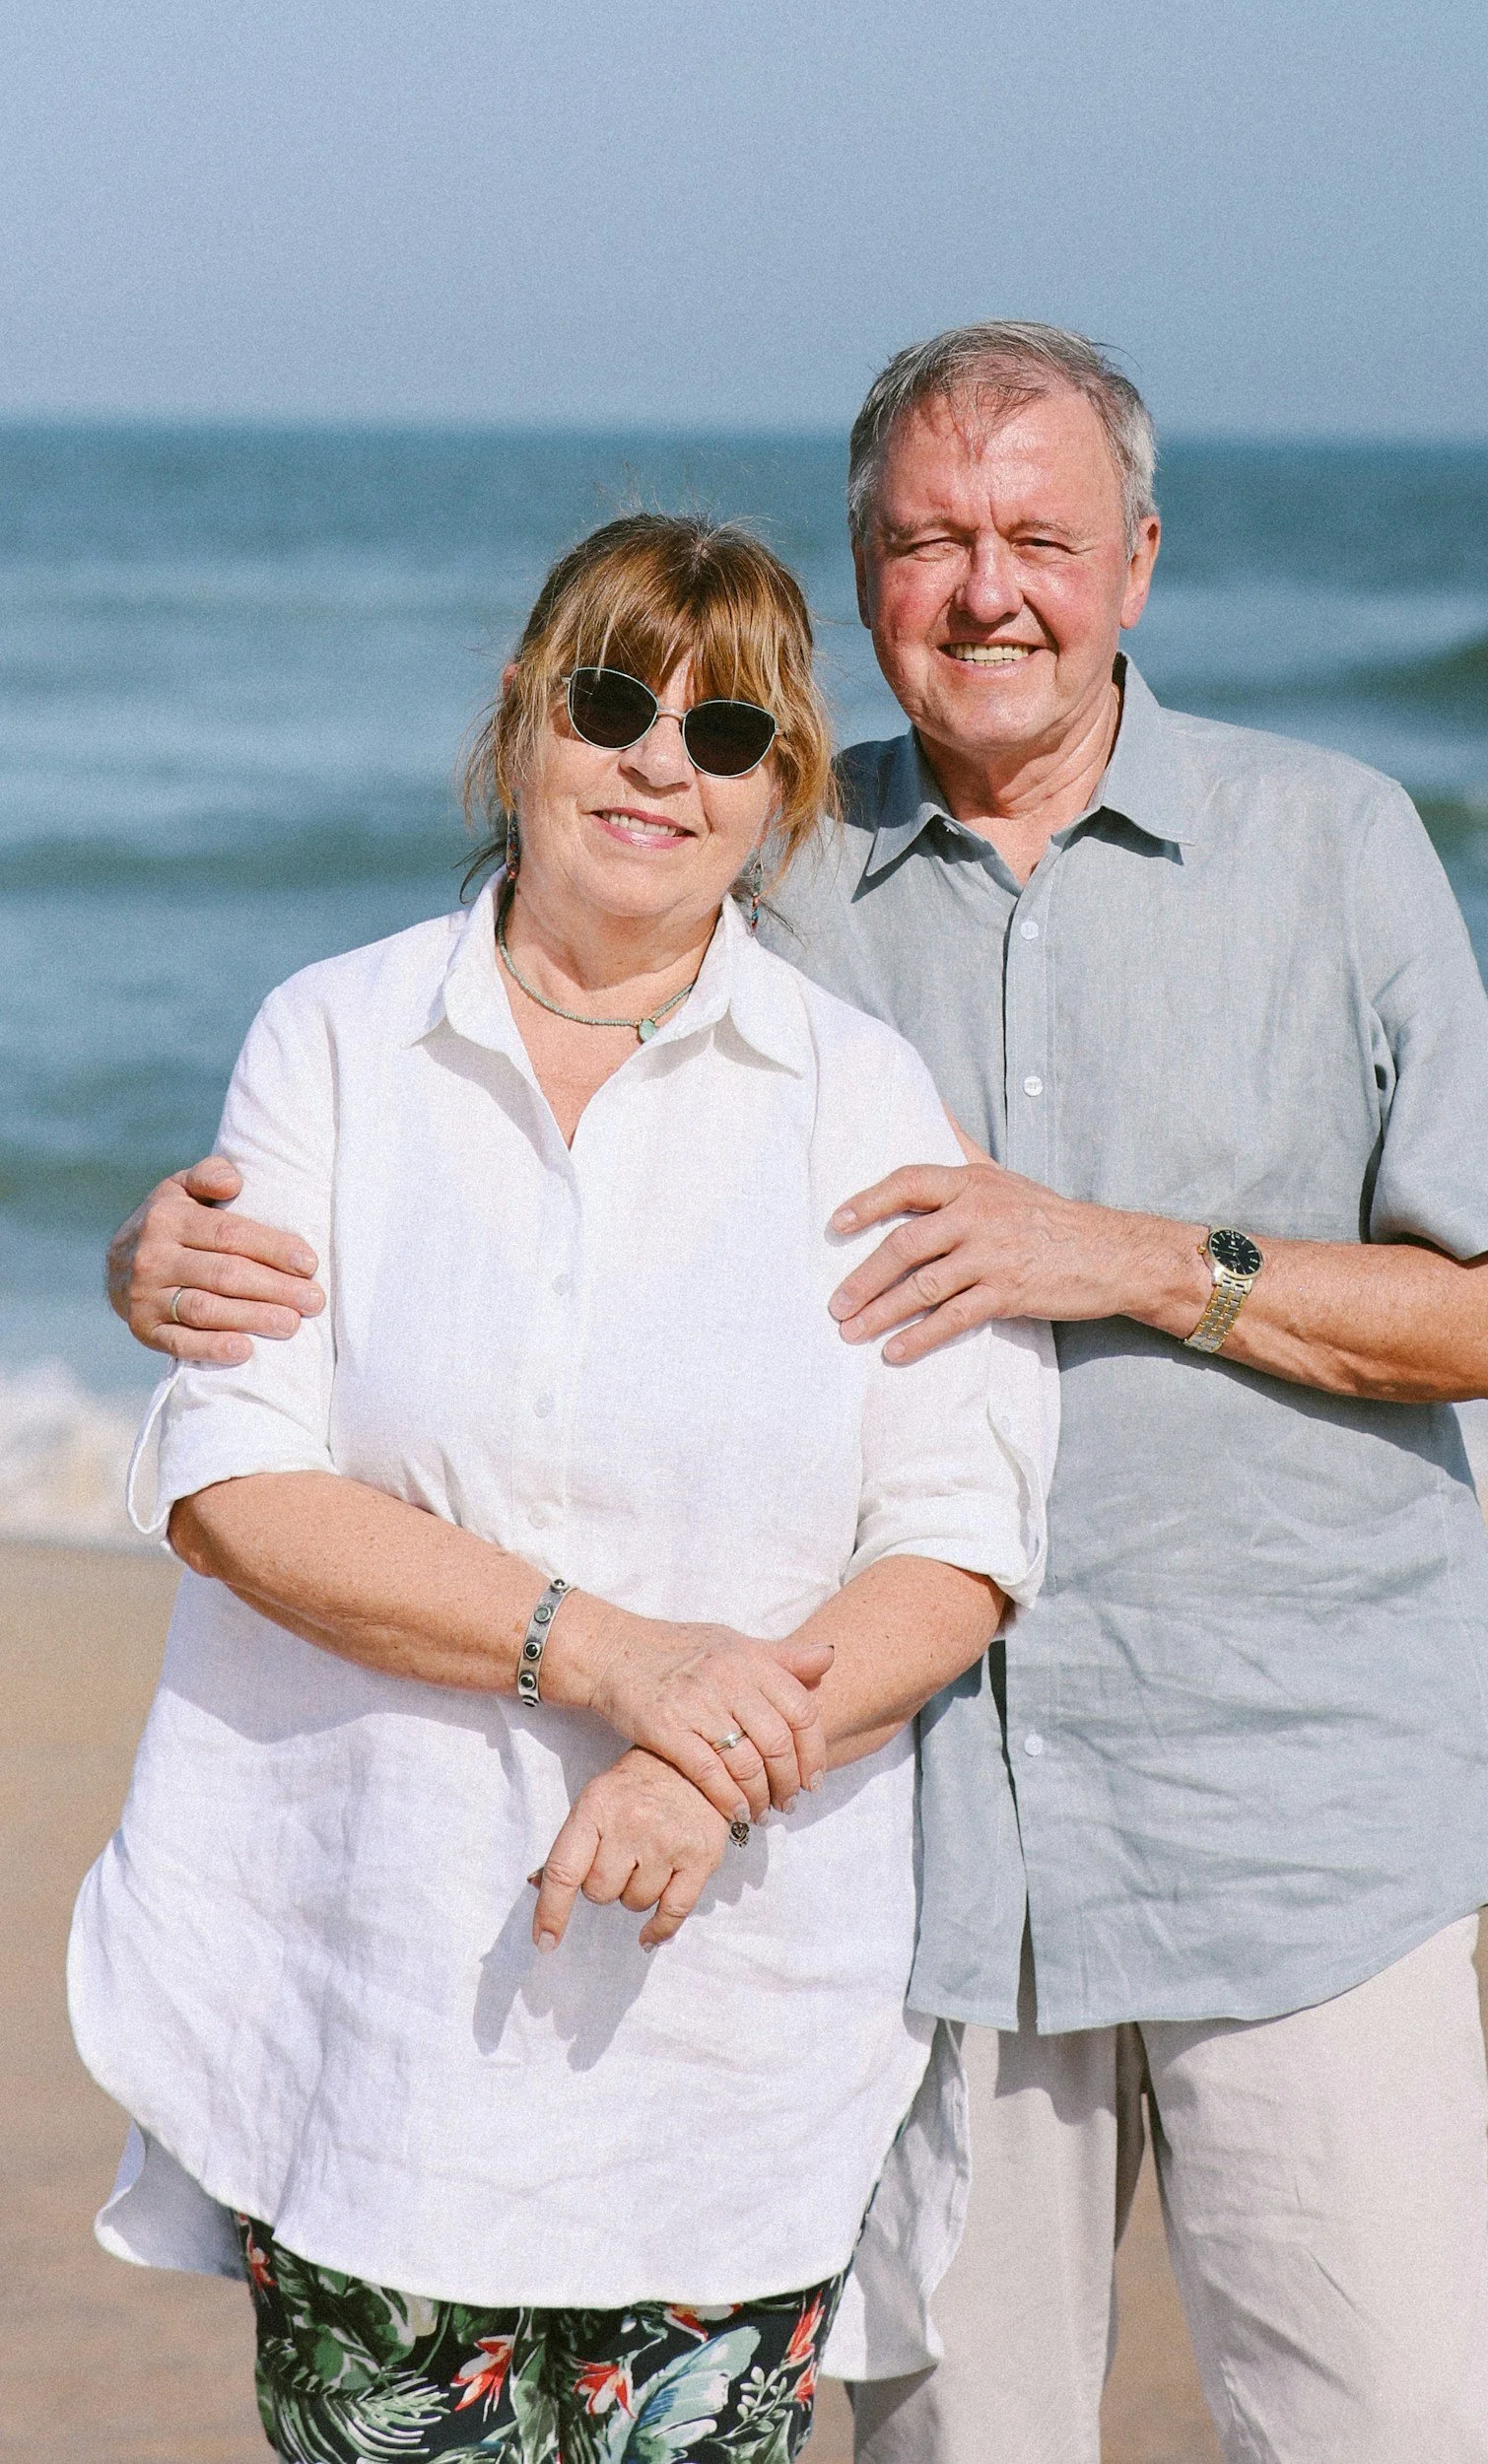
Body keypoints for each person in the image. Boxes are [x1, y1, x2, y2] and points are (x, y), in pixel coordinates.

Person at [109, 324, 1488, 2464]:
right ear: (867, 581)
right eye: (925, 540)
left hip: (1299, 1818)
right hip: (921, 1860)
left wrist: (1139, 1255)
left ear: (1139, 563)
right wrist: (153, 1254)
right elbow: (501, 1054)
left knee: (1382, 2427)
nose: (986, 587)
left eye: (1038, 538)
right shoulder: (768, 860)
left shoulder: (1329, 845)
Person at [72, 512, 1058, 2464]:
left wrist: (703, 1752)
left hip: (725, 2024)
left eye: (725, 735)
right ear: (519, 717)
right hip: (372, 1995)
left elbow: (956, 1534)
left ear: (781, 796)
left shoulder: (854, 1092)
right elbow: (237, 1483)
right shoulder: (336, 1044)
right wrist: (622, 1661)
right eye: (612, 701)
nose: (652, 764)